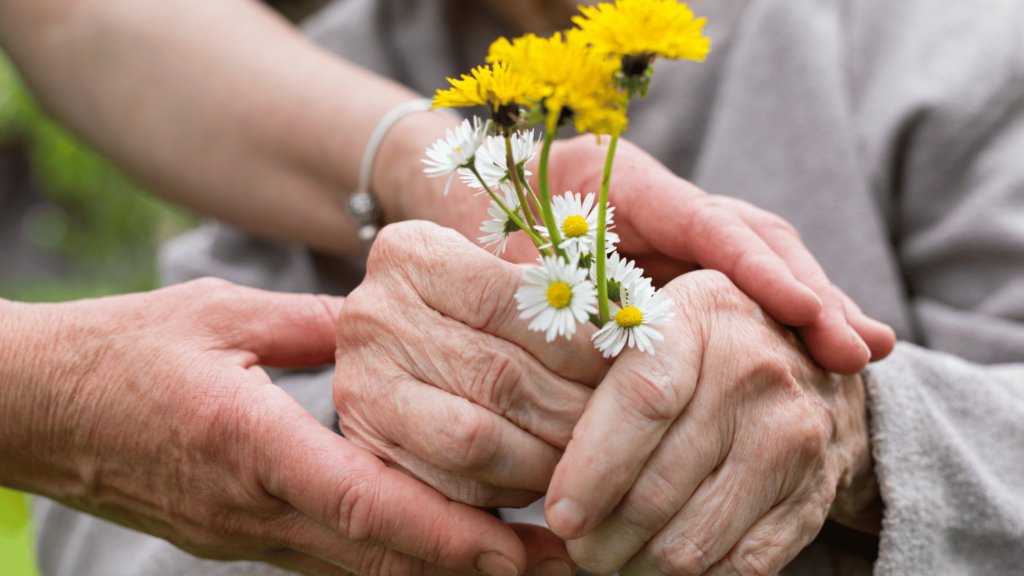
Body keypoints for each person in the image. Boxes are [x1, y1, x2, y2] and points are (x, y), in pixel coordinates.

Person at [32, 0, 1022, 575]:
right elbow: (102, 531)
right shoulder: (298, 86)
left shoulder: (950, 51)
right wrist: (386, 455)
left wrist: (862, 432)